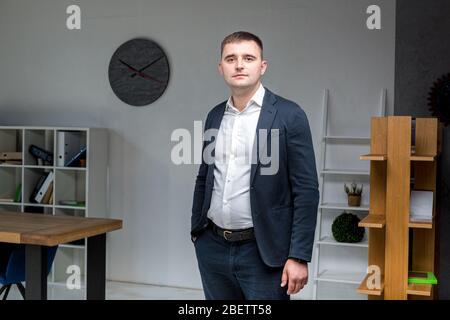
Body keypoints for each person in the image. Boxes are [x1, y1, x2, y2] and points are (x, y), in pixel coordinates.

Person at [191, 31, 319, 300]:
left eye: (248, 58)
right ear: (221, 67)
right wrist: (197, 232)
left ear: (262, 66)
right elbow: (205, 177)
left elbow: (306, 190)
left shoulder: (289, 115)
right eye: (231, 58)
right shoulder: (215, 115)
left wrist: (298, 255)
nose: (239, 65)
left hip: (263, 252)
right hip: (212, 248)